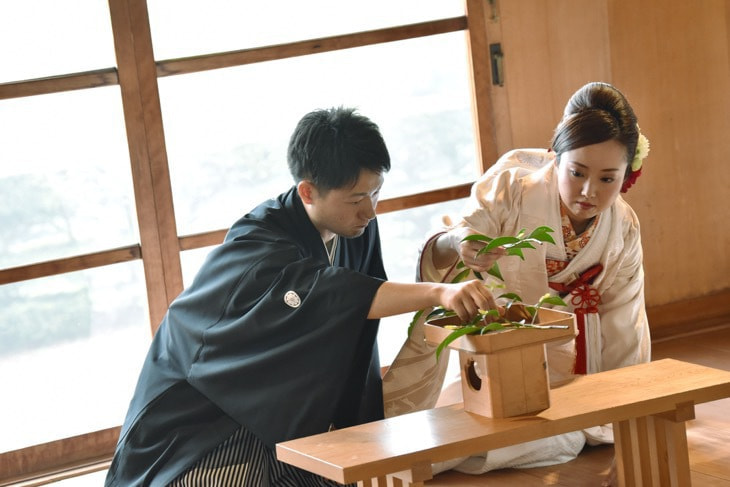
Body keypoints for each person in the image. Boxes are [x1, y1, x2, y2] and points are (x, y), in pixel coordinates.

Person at [105, 107, 495, 487]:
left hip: (285, 414)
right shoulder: (256, 244)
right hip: (206, 414)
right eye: (356, 199)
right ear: (307, 191)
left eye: (375, 193)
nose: (370, 211)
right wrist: (439, 292)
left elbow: (359, 302)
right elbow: (336, 295)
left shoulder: (353, 227)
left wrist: (453, 248)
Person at [386, 82, 651, 486]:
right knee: (452, 431)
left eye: (607, 179)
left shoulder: (623, 227)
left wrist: (625, 415)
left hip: (576, 370)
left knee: (568, 436)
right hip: (496, 358)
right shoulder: (512, 188)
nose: (588, 191)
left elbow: (624, 326)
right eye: (577, 172)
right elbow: (456, 239)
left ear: (628, 173)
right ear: (556, 157)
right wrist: (461, 244)